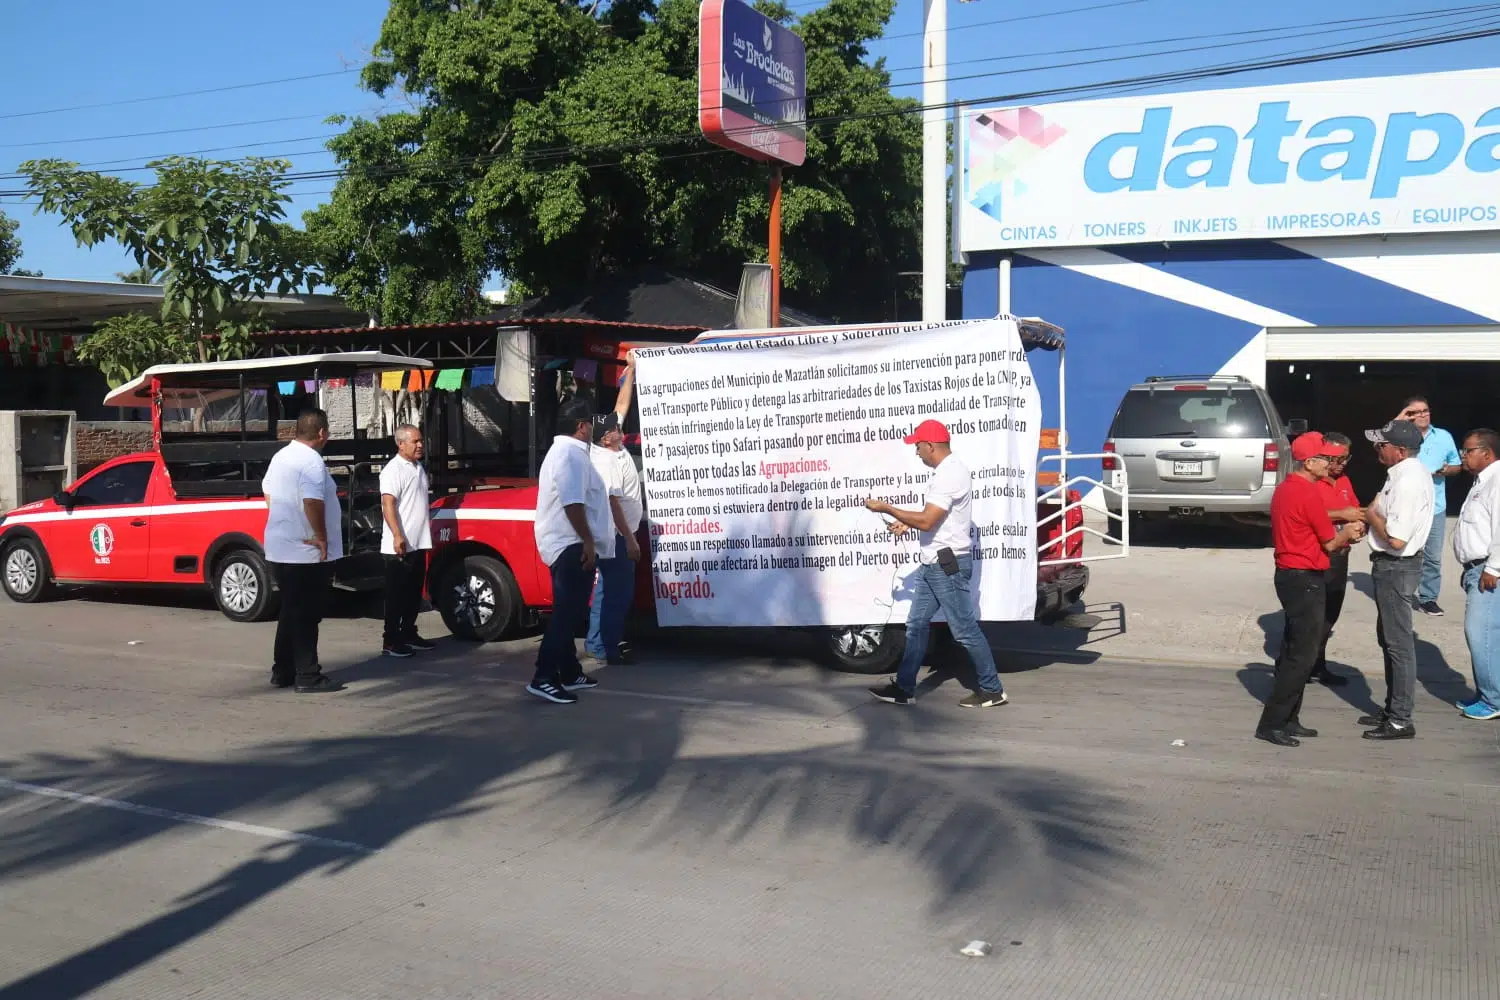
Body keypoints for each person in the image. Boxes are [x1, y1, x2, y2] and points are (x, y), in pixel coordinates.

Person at [865, 419, 1008, 709]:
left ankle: (992, 689)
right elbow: (936, 519)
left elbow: (929, 519)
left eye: (918, 446)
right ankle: (904, 689)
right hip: (935, 564)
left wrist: (887, 507)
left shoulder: (949, 474)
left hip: (946, 566)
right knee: (916, 624)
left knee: (965, 630)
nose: (916, 452)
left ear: (931, 445)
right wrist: (908, 524)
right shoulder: (948, 471)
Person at [1257, 432, 1366, 747]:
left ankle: (1289, 718)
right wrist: (1348, 532)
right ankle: (1273, 723)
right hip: (1304, 577)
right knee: (1301, 656)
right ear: (1310, 462)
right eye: (1325, 458)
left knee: (1295, 648)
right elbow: (1331, 542)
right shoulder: (1307, 494)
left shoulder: (1287, 488)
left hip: (1291, 575)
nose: (1330, 463)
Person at [528, 398, 614, 705]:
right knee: (566, 615)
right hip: (570, 544)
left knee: (572, 611)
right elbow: (573, 503)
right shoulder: (569, 454)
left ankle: (568, 670)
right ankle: (544, 676)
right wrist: (588, 541)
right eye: (590, 423)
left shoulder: (570, 452)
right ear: (581, 427)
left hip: (570, 542)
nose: (594, 428)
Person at [1360, 419, 1434, 741]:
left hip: (1396, 566)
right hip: (1392, 567)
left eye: (1382, 444)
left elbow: (1396, 539)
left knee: (1398, 645)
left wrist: (1371, 516)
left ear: (1400, 450)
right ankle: (1393, 709)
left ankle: (1401, 720)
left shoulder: (1407, 481)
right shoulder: (1403, 474)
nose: (1377, 449)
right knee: (1389, 641)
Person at [262, 408, 344, 694]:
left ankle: (282, 670)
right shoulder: (311, 461)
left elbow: (268, 494)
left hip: (281, 548)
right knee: (307, 615)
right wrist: (320, 537)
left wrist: (285, 524)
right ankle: (308, 675)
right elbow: (312, 502)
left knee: (290, 612)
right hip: (305, 552)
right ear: (321, 433)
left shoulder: (281, 457)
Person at [587, 355, 643, 665]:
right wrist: (630, 539)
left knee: (614, 591)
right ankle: (603, 646)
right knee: (613, 592)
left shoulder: (613, 445)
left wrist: (631, 370)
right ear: (604, 439)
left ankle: (603, 641)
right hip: (616, 536)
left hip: (623, 534)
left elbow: (621, 406)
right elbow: (612, 503)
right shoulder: (604, 460)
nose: (620, 430)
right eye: (614, 431)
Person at [1396, 397, 1461, 616]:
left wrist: (1445, 471)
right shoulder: (1400, 435)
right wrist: (1400, 418)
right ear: (1408, 414)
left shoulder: (1443, 436)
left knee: (1432, 556)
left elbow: (1456, 465)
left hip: (1435, 505)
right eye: (1416, 412)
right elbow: (1381, 441)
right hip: (1406, 505)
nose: (1423, 415)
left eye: (1426, 411)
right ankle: (1401, 594)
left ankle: (1428, 598)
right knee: (1404, 552)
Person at [1453, 428, 1500, 721]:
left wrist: (1492, 568)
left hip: (1488, 570)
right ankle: (1487, 691)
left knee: (1479, 633)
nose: (1464, 456)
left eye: (1469, 451)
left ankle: (1493, 699)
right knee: (1487, 636)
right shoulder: (1482, 481)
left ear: (1487, 452)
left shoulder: (1496, 481)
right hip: (1477, 569)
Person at [1309, 432, 1363, 686]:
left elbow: (1355, 509)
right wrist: (1342, 514)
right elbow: (1308, 513)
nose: (1341, 464)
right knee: (1309, 615)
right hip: (1317, 554)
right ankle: (1292, 664)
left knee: (1330, 613)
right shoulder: (1310, 482)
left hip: (1340, 555)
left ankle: (1317, 664)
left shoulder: (1344, 481)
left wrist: (1360, 523)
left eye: (1346, 458)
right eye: (1337, 459)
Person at [379, 424, 435, 658]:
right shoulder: (393, 470)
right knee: (396, 596)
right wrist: (397, 535)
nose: (420, 445)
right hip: (399, 545)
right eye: (415, 441)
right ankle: (390, 640)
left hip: (419, 542)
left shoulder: (418, 467)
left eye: (421, 440)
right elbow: (387, 504)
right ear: (400, 444)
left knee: (413, 594)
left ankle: (409, 633)